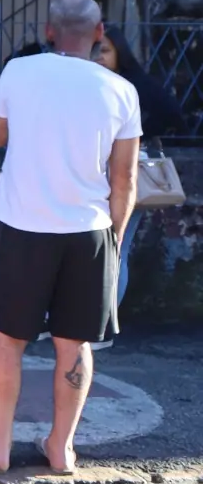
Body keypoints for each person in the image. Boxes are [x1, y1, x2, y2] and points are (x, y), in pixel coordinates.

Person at [0, 0, 139, 476]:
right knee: (74, 342)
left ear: (49, 30)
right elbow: (124, 178)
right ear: (99, 32)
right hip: (89, 229)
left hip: (23, 224)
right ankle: (62, 449)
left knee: (7, 339)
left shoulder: (19, 71)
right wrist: (115, 240)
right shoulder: (120, 89)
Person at [89, 27, 183, 343]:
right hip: (91, 176)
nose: (98, 57)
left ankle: (103, 325)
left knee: (117, 250)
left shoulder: (133, 84)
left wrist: (136, 135)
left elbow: (174, 114)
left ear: (120, 54)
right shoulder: (90, 83)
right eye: (94, 50)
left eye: (104, 51)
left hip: (127, 177)